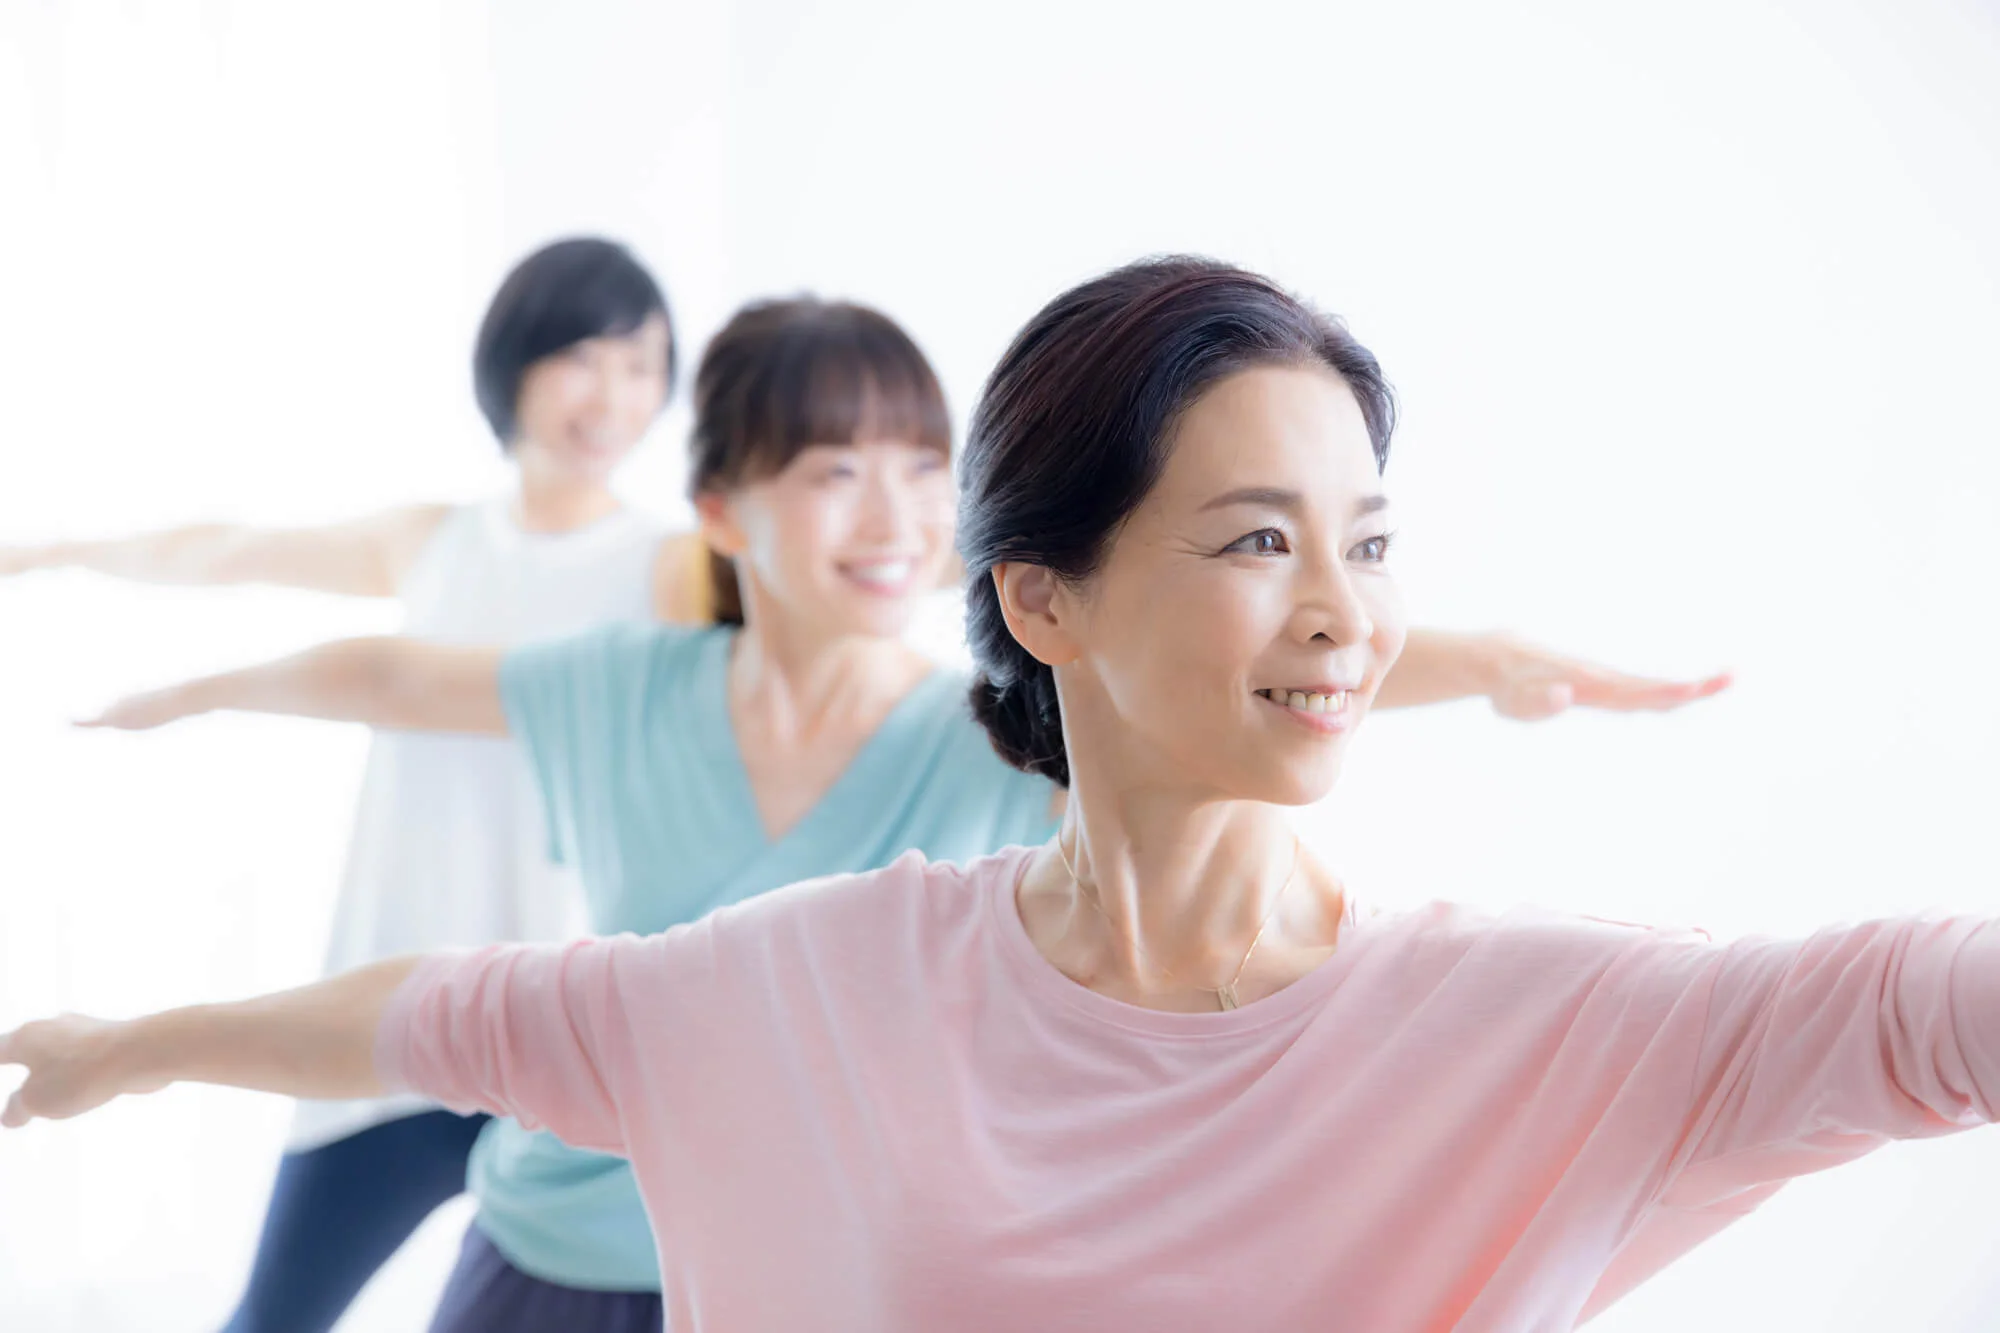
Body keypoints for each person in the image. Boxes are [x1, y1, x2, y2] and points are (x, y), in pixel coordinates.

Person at [4, 273, 1748, 1332]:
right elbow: (401, 696)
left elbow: (1214, 664)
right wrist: (168, 706)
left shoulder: (974, 729)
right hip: (550, 1221)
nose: (895, 508)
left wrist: (1482, 652)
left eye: (924, 465)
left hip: (784, 1262)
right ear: (721, 506)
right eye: (836, 465)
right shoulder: (625, 684)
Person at [0, 236, 707, 1333]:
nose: (615, 394)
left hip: (562, 1027)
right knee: (273, 1317)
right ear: (514, 363)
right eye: (585, 356)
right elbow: (227, 548)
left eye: (642, 363)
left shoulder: (671, 567)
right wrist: (54, 552)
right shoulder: (437, 541)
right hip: (395, 1010)